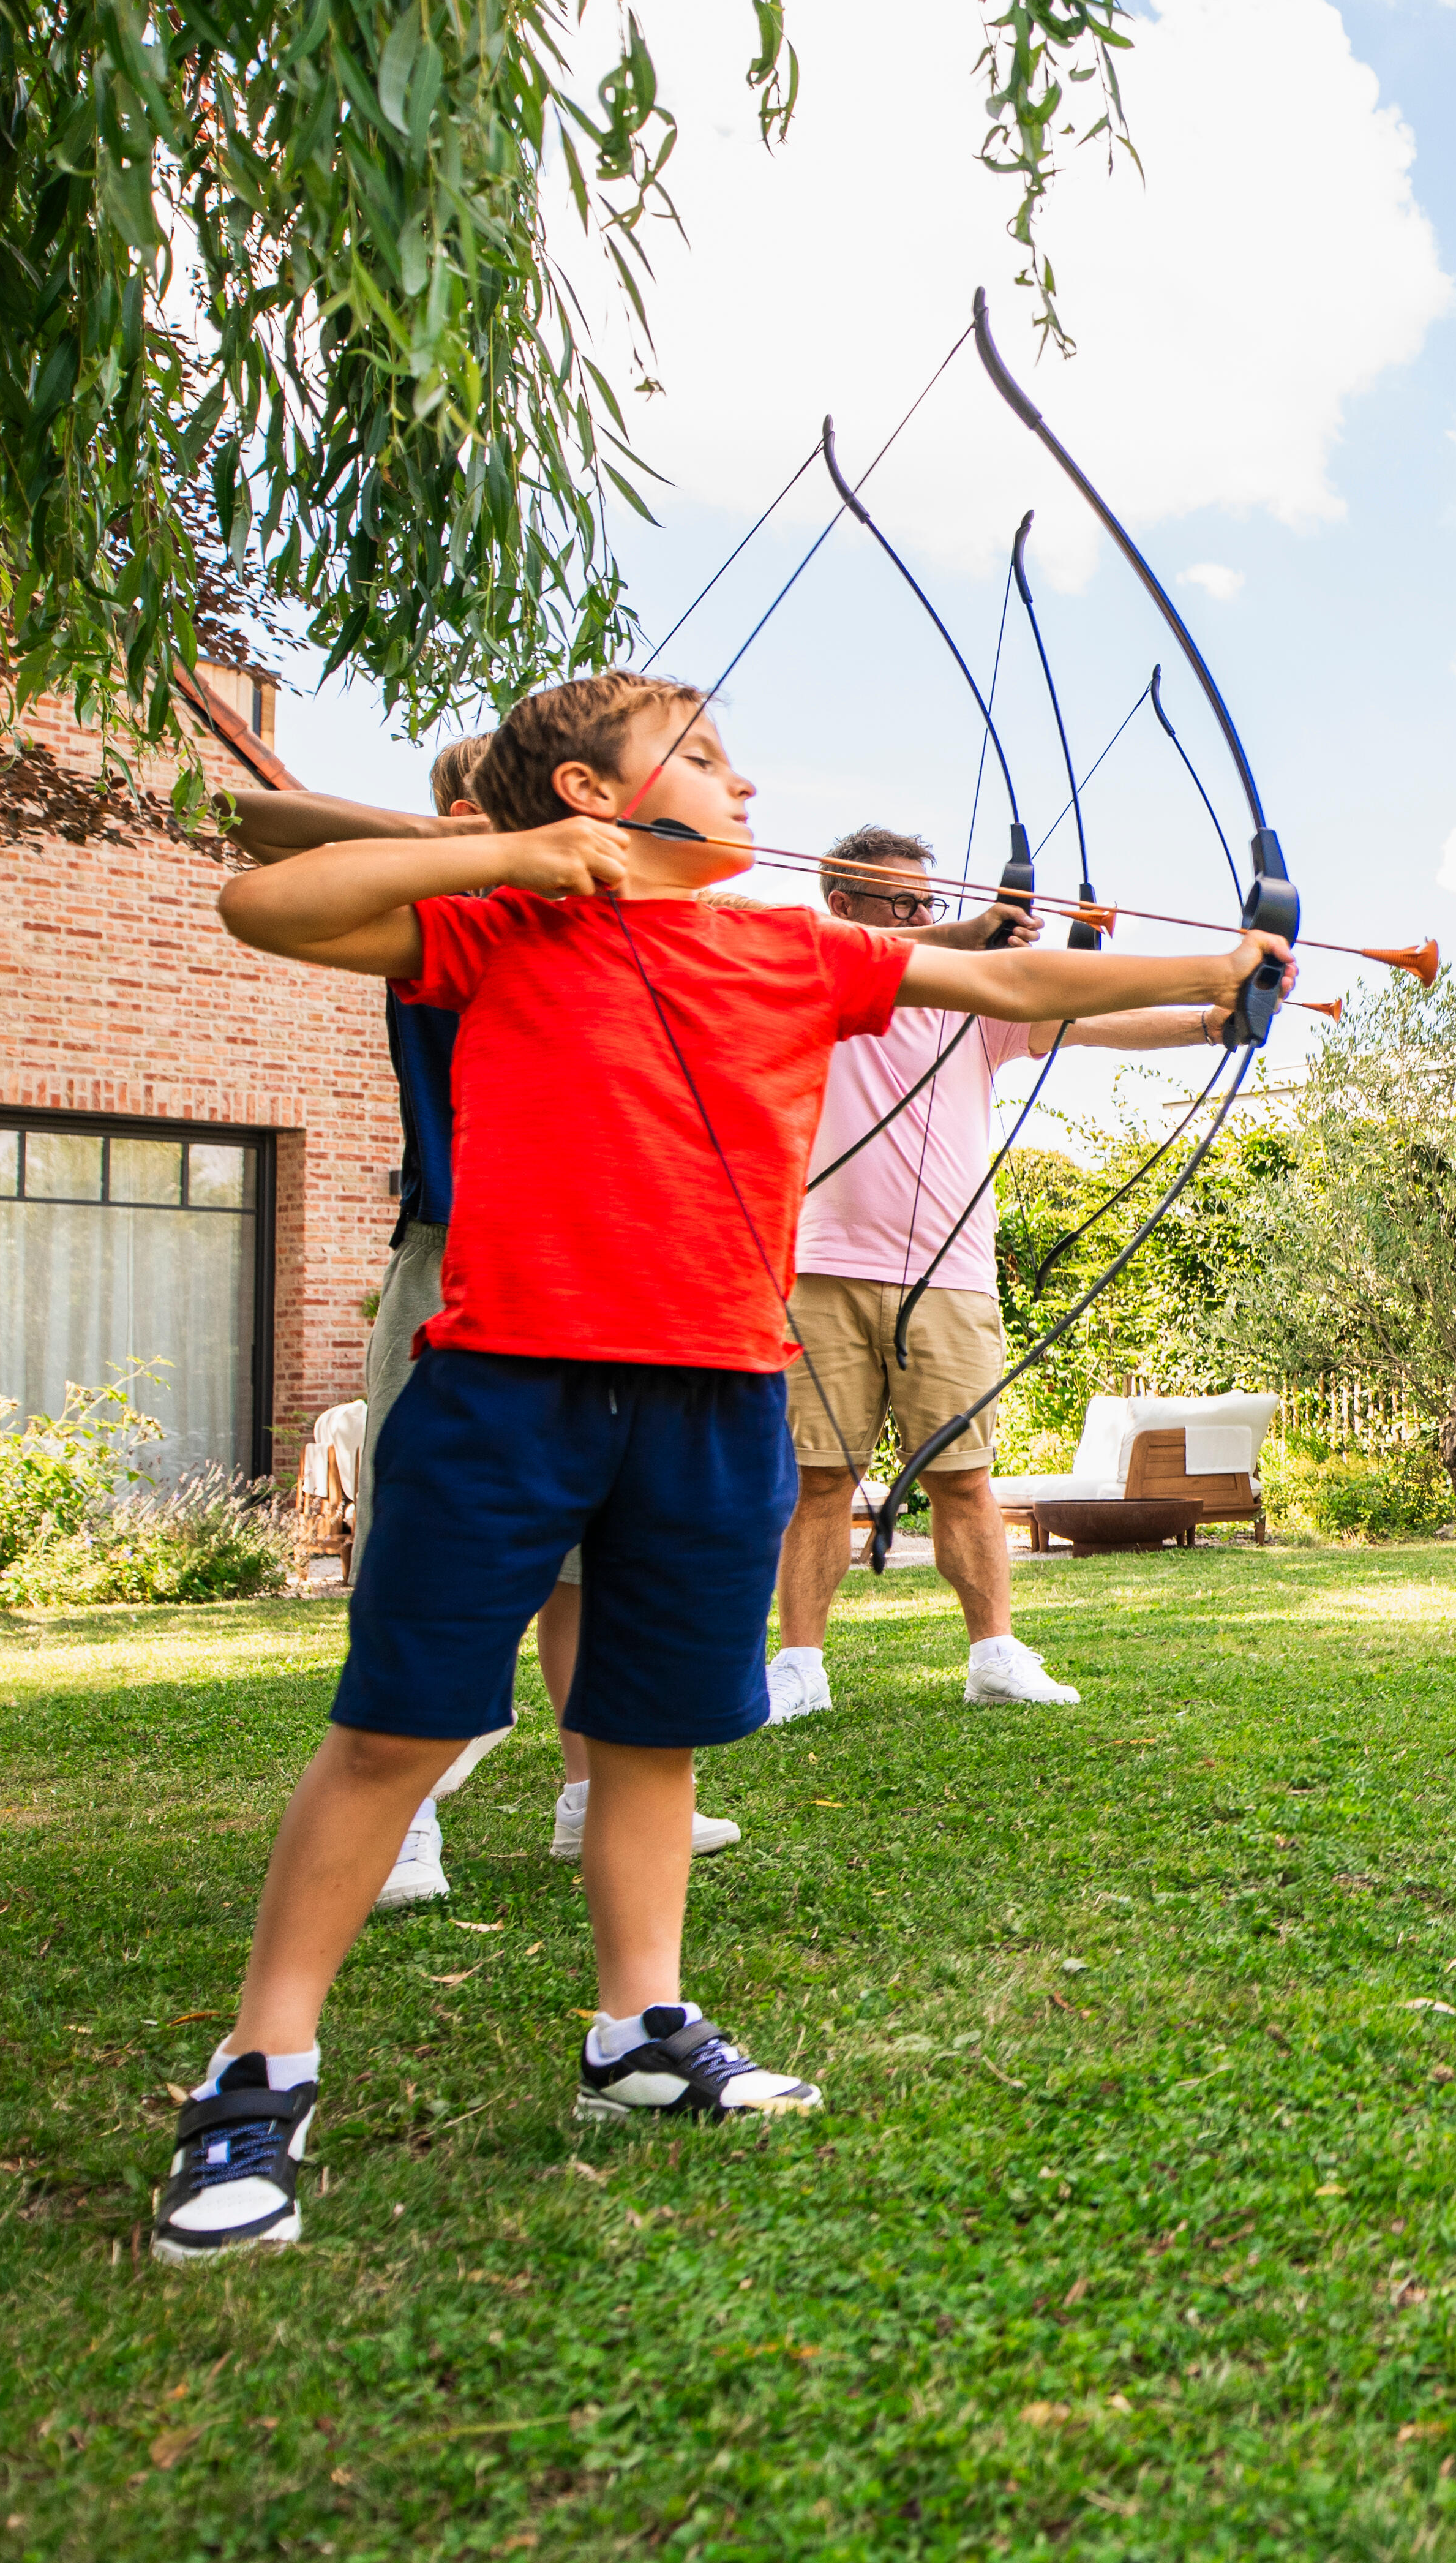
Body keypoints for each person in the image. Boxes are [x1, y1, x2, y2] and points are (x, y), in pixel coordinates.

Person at [156, 672, 1277, 2262]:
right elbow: (261, 897)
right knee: (394, 1731)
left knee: (646, 1737)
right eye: (699, 758)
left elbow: (1018, 991)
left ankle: (642, 2029)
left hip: (715, 1399)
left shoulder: (792, 948)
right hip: (505, 1388)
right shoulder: (507, 929)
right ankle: (257, 2074)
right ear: (596, 799)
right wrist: (508, 859)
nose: (744, 785)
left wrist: (1230, 960)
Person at [244, 739, 743, 1908]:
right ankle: (406, 1815)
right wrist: (489, 849)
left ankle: (586, 1798)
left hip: (592, 1269)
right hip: (458, 1255)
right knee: (429, 1536)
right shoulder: (445, 906)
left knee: (584, 1565)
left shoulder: (622, 925)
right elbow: (253, 821)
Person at [766, 826, 1223, 1720]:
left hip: (951, 1274)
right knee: (818, 1478)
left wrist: (1213, 1020)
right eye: (901, 904)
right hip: (819, 1267)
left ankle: (994, 1655)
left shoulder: (970, 1003)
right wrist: (971, 931)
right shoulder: (809, 980)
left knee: (962, 1476)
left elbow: (1088, 1018)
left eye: (928, 902)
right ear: (843, 906)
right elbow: (848, 957)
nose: (922, 918)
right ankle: (799, 1668)